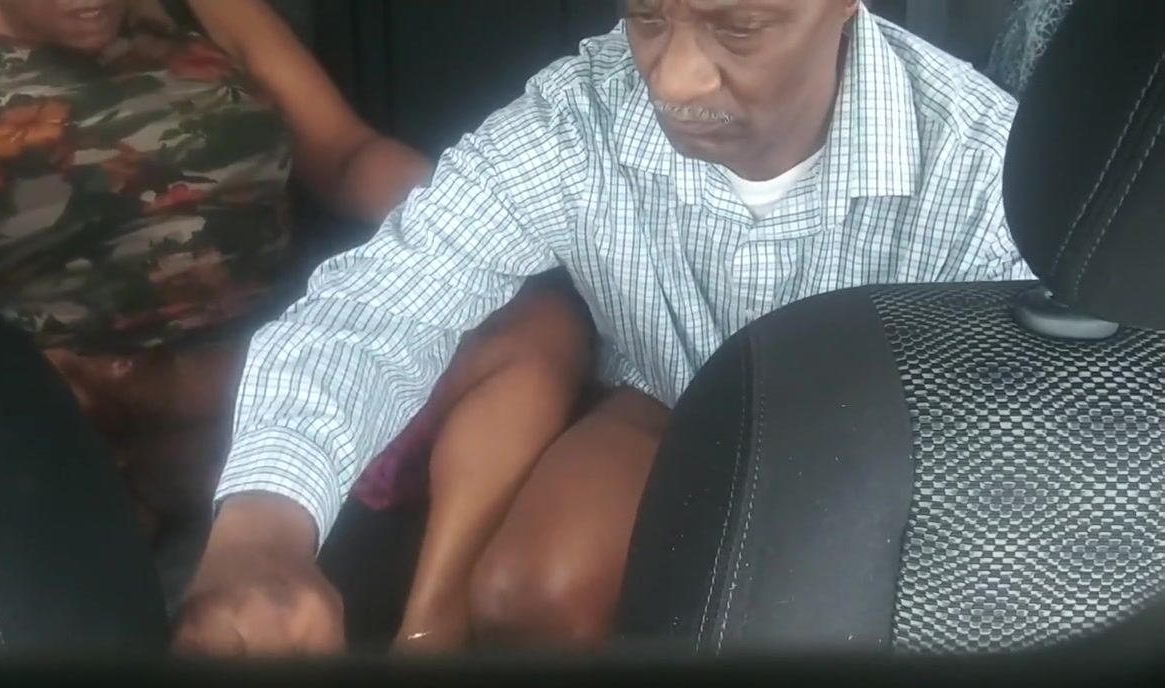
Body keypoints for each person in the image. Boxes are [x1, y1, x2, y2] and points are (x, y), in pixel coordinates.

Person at [173, 0, 1034, 655]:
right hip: (667, 393)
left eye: (737, 27)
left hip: (877, 460)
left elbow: (1011, 471)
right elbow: (387, 298)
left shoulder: (983, 174)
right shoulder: (579, 118)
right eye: (647, 16)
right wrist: (261, 531)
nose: (674, 80)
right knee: (529, 595)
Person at [0, 0, 593, 588]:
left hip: (266, 371)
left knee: (535, 322)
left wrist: (487, 219)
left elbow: (348, 156)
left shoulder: (209, 8)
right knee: (55, 418)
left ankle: (429, 638)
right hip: (61, 397)